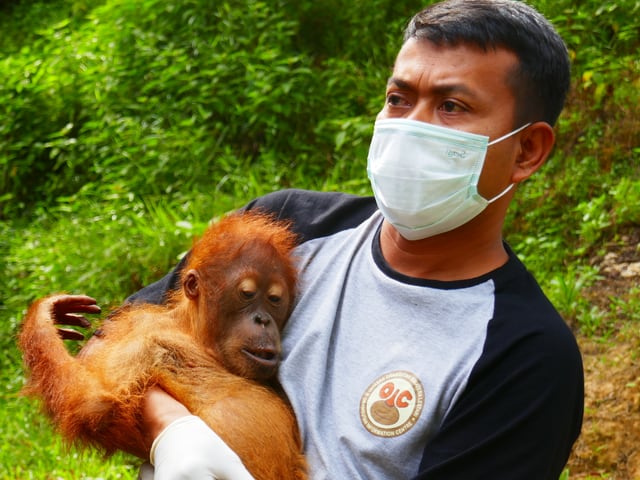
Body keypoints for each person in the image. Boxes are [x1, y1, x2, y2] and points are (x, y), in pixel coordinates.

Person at [121, 0, 585, 478]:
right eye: (398, 99)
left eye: (451, 106)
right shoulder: (286, 228)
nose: (410, 127)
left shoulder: (525, 356)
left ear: (527, 150)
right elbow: (108, 346)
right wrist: (175, 430)